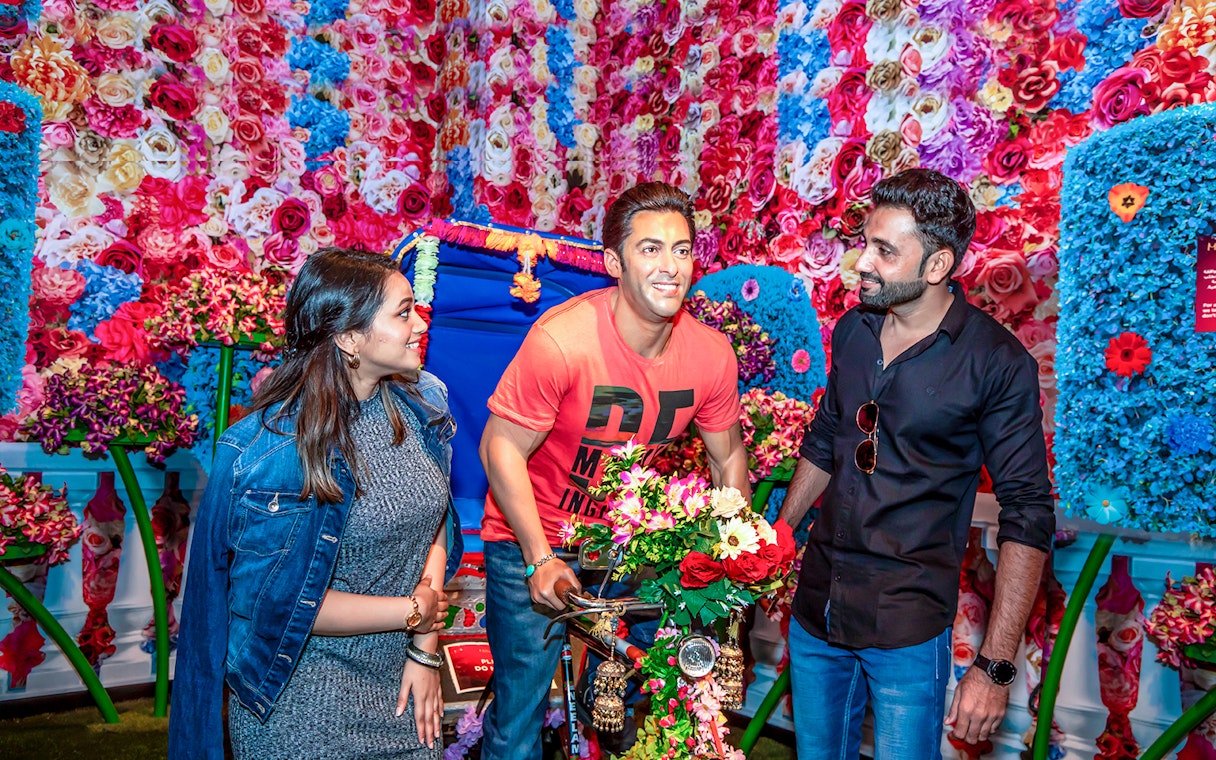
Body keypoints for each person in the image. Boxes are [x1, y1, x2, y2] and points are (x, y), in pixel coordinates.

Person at [776, 168, 1055, 759]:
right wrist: (777, 534)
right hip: (816, 607)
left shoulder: (997, 364)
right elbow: (827, 437)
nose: (862, 262)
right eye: (865, 243)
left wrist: (995, 666)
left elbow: (1027, 512)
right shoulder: (852, 329)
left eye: (883, 250)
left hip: (905, 623)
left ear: (936, 266)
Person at [477, 182, 752, 759]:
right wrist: (539, 556)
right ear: (613, 262)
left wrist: (734, 553)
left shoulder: (710, 354)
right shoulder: (562, 340)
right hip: (536, 533)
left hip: (631, 541)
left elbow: (727, 457)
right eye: (650, 249)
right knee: (522, 708)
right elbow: (499, 448)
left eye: (681, 250)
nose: (670, 266)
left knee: (637, 689)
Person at [169, 248, 461, 760]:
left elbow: (434, 522)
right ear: (349, 338)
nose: (420, 322)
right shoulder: (273, 452)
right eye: (403, 311)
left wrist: (423, 650)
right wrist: (414, 612)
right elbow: (279, 604)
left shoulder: (424, 400)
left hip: (405, 692)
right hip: (302, 705)